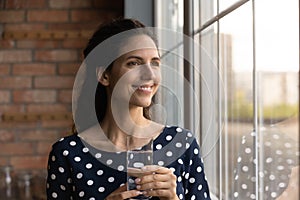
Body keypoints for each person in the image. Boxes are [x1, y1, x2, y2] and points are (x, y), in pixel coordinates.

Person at [46, 18, 211, 200]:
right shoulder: (67, 153)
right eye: (134, 63)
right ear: (104, 75)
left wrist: (174, 198)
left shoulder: (183, 144)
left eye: (155, 63)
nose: (150, 74)